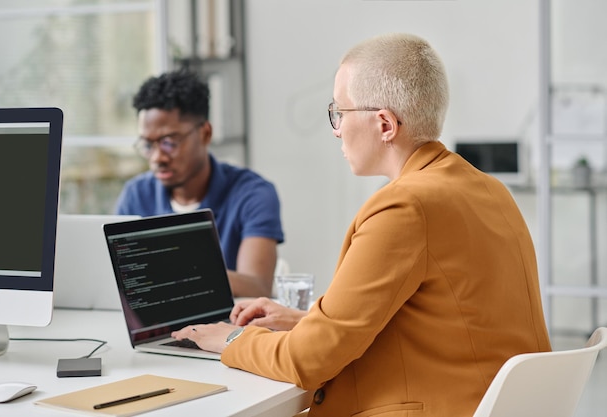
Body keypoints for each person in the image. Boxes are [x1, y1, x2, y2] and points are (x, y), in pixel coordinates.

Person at [171, 33, 551, 416]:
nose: (336, 129)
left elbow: (308, 361)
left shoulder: (405, 207)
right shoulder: (488, 189)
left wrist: (232, 337)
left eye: (340, 112)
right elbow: (437, 321)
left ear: (385, 124)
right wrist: (304, 321)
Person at [115, 70, 284, 297]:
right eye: (148, 144)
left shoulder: (252, 194)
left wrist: (160, 271)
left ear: (205, 134)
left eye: (168, 142)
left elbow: (256, 287)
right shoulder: (136, 195)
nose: (157, 158)